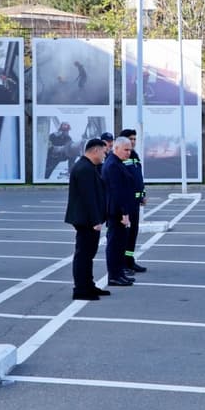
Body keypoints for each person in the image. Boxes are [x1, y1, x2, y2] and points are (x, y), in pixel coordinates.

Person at [65, 139, 111, 300]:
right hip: (86, 220)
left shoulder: (88, 166)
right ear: (95, 150)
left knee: (88, 254)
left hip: (87, 219)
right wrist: (95, 220)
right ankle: (81, 290)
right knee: (83, 255)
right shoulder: (84, 168)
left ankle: (88, 285)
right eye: (104, 152)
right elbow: (88, 197)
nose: (105, 155)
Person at [102, 137, 137, 286]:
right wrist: (124, 213)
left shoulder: (117, 162)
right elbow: (117, 191)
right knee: (115, 244)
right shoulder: (112, 165)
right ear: (116, 148)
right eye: (126, 149)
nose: (128, 153)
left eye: (130, 150)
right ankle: (114, 276)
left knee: (120, 244)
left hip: (119, 210)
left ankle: (119, 273)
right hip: (116, 212)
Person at [118, 128, 148, 273]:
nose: (133, 141)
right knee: (125, 234)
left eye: (135, 139)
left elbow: (138, 178)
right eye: (131, 139)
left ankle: (129, 260)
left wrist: (142, 194)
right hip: (126, 202)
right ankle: (122, 264)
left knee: (133, 233)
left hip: (135, 202)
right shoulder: (121, 158)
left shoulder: (134, 155)